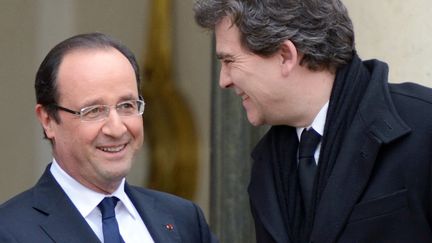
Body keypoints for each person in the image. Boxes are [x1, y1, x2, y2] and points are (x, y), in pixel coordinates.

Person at [194, 0, 432, 242]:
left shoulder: (424, 125)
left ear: (286, 55)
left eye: (229, 61)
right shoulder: (267, 166)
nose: (223, 80)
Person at [0, 33, 217, 243]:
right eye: (93, 110)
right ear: (48, 120)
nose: (116, 128)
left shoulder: (184, 219)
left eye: (126, 106)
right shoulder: (9, 231)